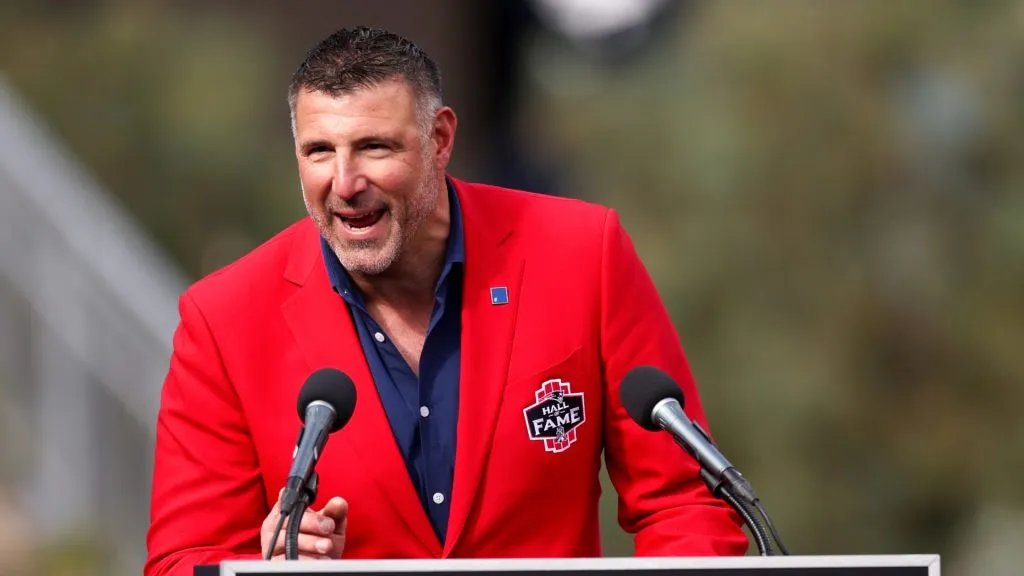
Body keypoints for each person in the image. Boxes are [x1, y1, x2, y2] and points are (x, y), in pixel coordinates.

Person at [143, 26, 748, 576]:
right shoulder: (221, 318)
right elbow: (181, 562)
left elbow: (685, 503)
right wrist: (265, 563)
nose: (345, 183)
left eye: (374, 147)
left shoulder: (584, 253)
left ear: (440, 139)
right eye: (319, 151)